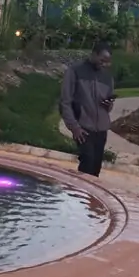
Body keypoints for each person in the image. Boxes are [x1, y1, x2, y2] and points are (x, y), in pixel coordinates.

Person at [59, 40, 115, 177]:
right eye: (102, 60)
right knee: (87, 164)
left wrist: (108, 104)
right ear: (94, 54)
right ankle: (80, 190)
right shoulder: (75, 71)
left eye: (107, 61)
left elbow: (109, 106)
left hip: (101, 130)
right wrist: (74, 127)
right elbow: (65, 102)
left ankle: (89, 191)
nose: (104, 64)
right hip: (83, 128)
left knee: (95, 168)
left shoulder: (107, 77)